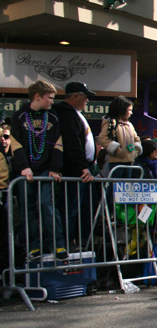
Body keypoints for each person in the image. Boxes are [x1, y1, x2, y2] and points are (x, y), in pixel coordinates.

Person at [8, 80, 68, 260]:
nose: (52, 101)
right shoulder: (19, 116)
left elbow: (58, 144)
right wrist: (24, 167)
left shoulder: (53, 117)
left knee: (46, 205)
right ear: (37, 96)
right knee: (27, 208)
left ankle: (57, 244)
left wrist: (55, 168)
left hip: (46, 171)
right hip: (25, 171)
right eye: (49, 98)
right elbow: (15, 144)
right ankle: (32, 246)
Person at [55, 81, 97, 250]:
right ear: (75, 96)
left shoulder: (74, 113)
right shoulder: (66, 114)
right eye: (85, 96)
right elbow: (72, 143)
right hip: (75, 170)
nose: (87, 100)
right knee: (70, 208)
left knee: (80, 207)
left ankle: (75, 239)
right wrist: (82, 166)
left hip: (82, 168)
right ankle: (67, 241)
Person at [98, 96, 141, 177]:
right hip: (116, 162)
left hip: (129, 162)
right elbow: (103, 138)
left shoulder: (129, 125)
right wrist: (117, 150)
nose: (131, 113)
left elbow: (136, 139)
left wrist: (134, 151)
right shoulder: (111, 122)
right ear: (122, 109)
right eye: (129, 110)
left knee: (126, 187)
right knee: (115, 187)